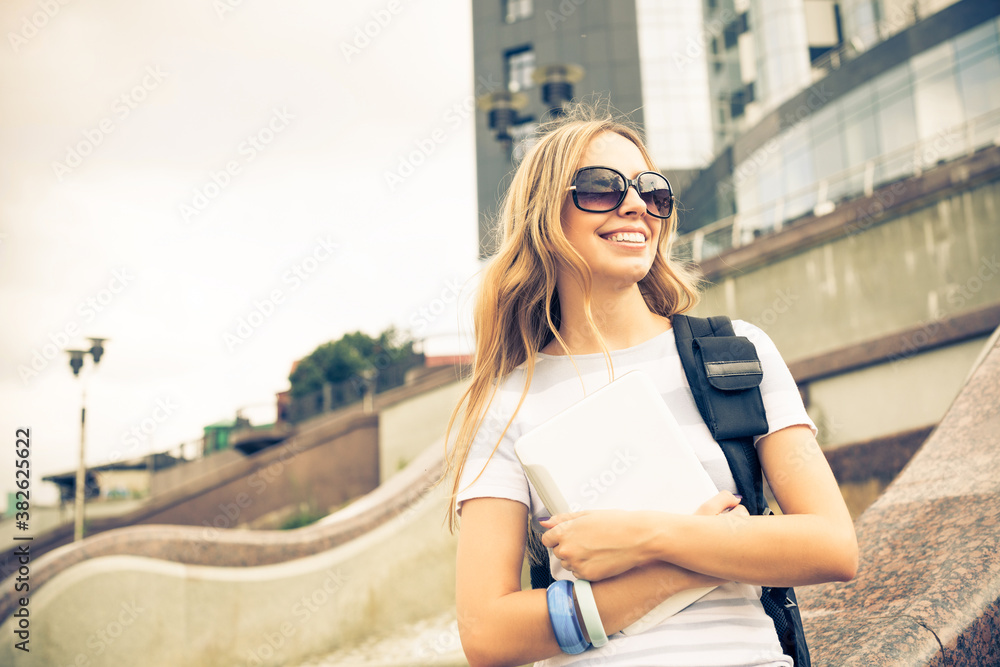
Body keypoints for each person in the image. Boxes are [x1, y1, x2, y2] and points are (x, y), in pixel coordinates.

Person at [444, 104, 857, 667]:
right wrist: (697, 558)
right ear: (544, 215)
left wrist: (647, 537)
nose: (636, 204)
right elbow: (487, 634)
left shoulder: (737, 353)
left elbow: (833, 547)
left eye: (652, 191)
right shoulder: (509, 401)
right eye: (601, 188)